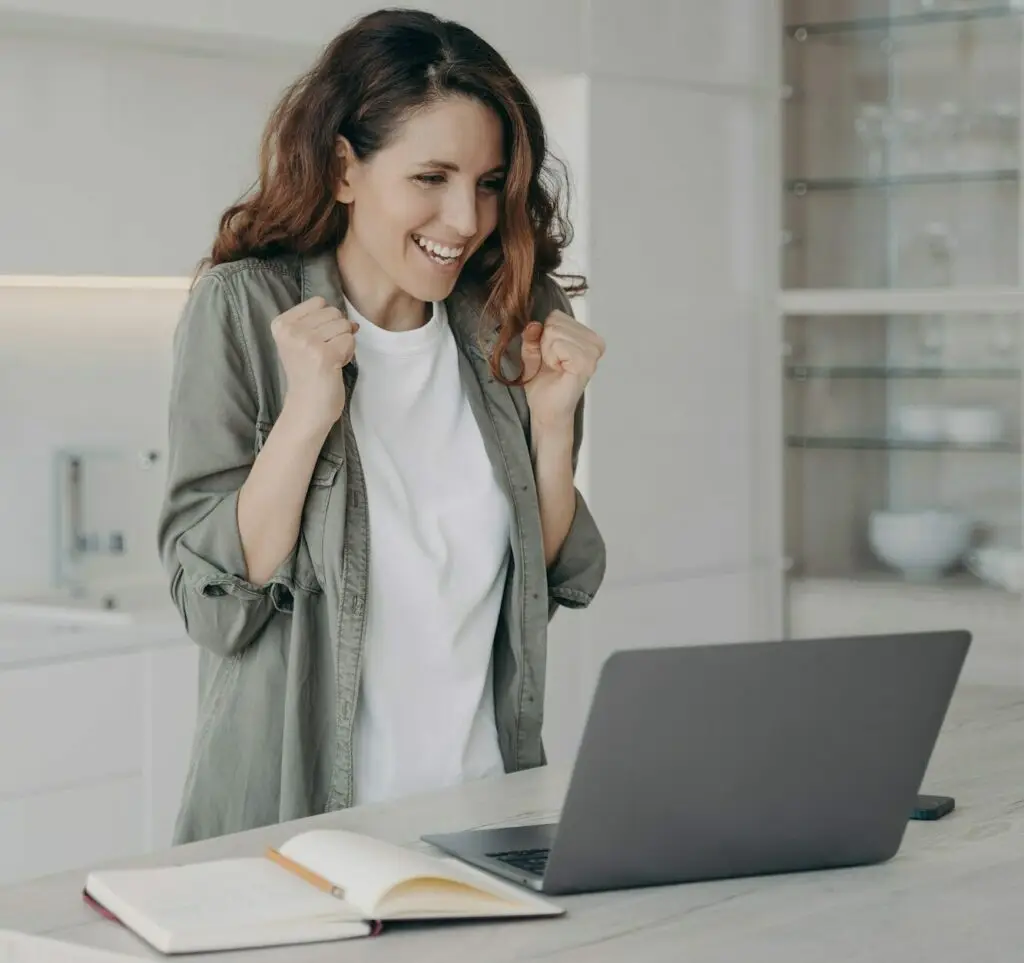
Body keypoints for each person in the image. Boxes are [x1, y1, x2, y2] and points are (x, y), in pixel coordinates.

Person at [157, 7, 607, 845]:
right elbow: (217, 608)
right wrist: (305, 416)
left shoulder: (517, 315)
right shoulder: (246, 309)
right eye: (430, 178)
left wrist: (551, 430)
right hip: (299, 829)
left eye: (485, 183)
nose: (466, 221)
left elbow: (539, 590)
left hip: (487, 816)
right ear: (342, 169)